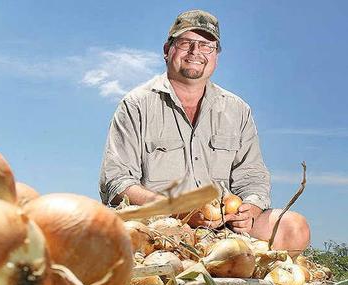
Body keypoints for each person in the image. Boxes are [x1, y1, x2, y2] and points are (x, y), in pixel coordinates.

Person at [98, 9, 310, 256]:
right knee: (103, 234)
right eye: (186, 43)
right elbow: (117, 182)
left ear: (216, 56)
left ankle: (231, 260)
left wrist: (250, 209)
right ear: (167, 50)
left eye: (206, 45)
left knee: (295, 228)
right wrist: (179, 210)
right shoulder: (136, 105)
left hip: (226, 228)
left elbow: (252, 175)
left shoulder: (237, 109)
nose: (195, 52)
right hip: (157, 227)